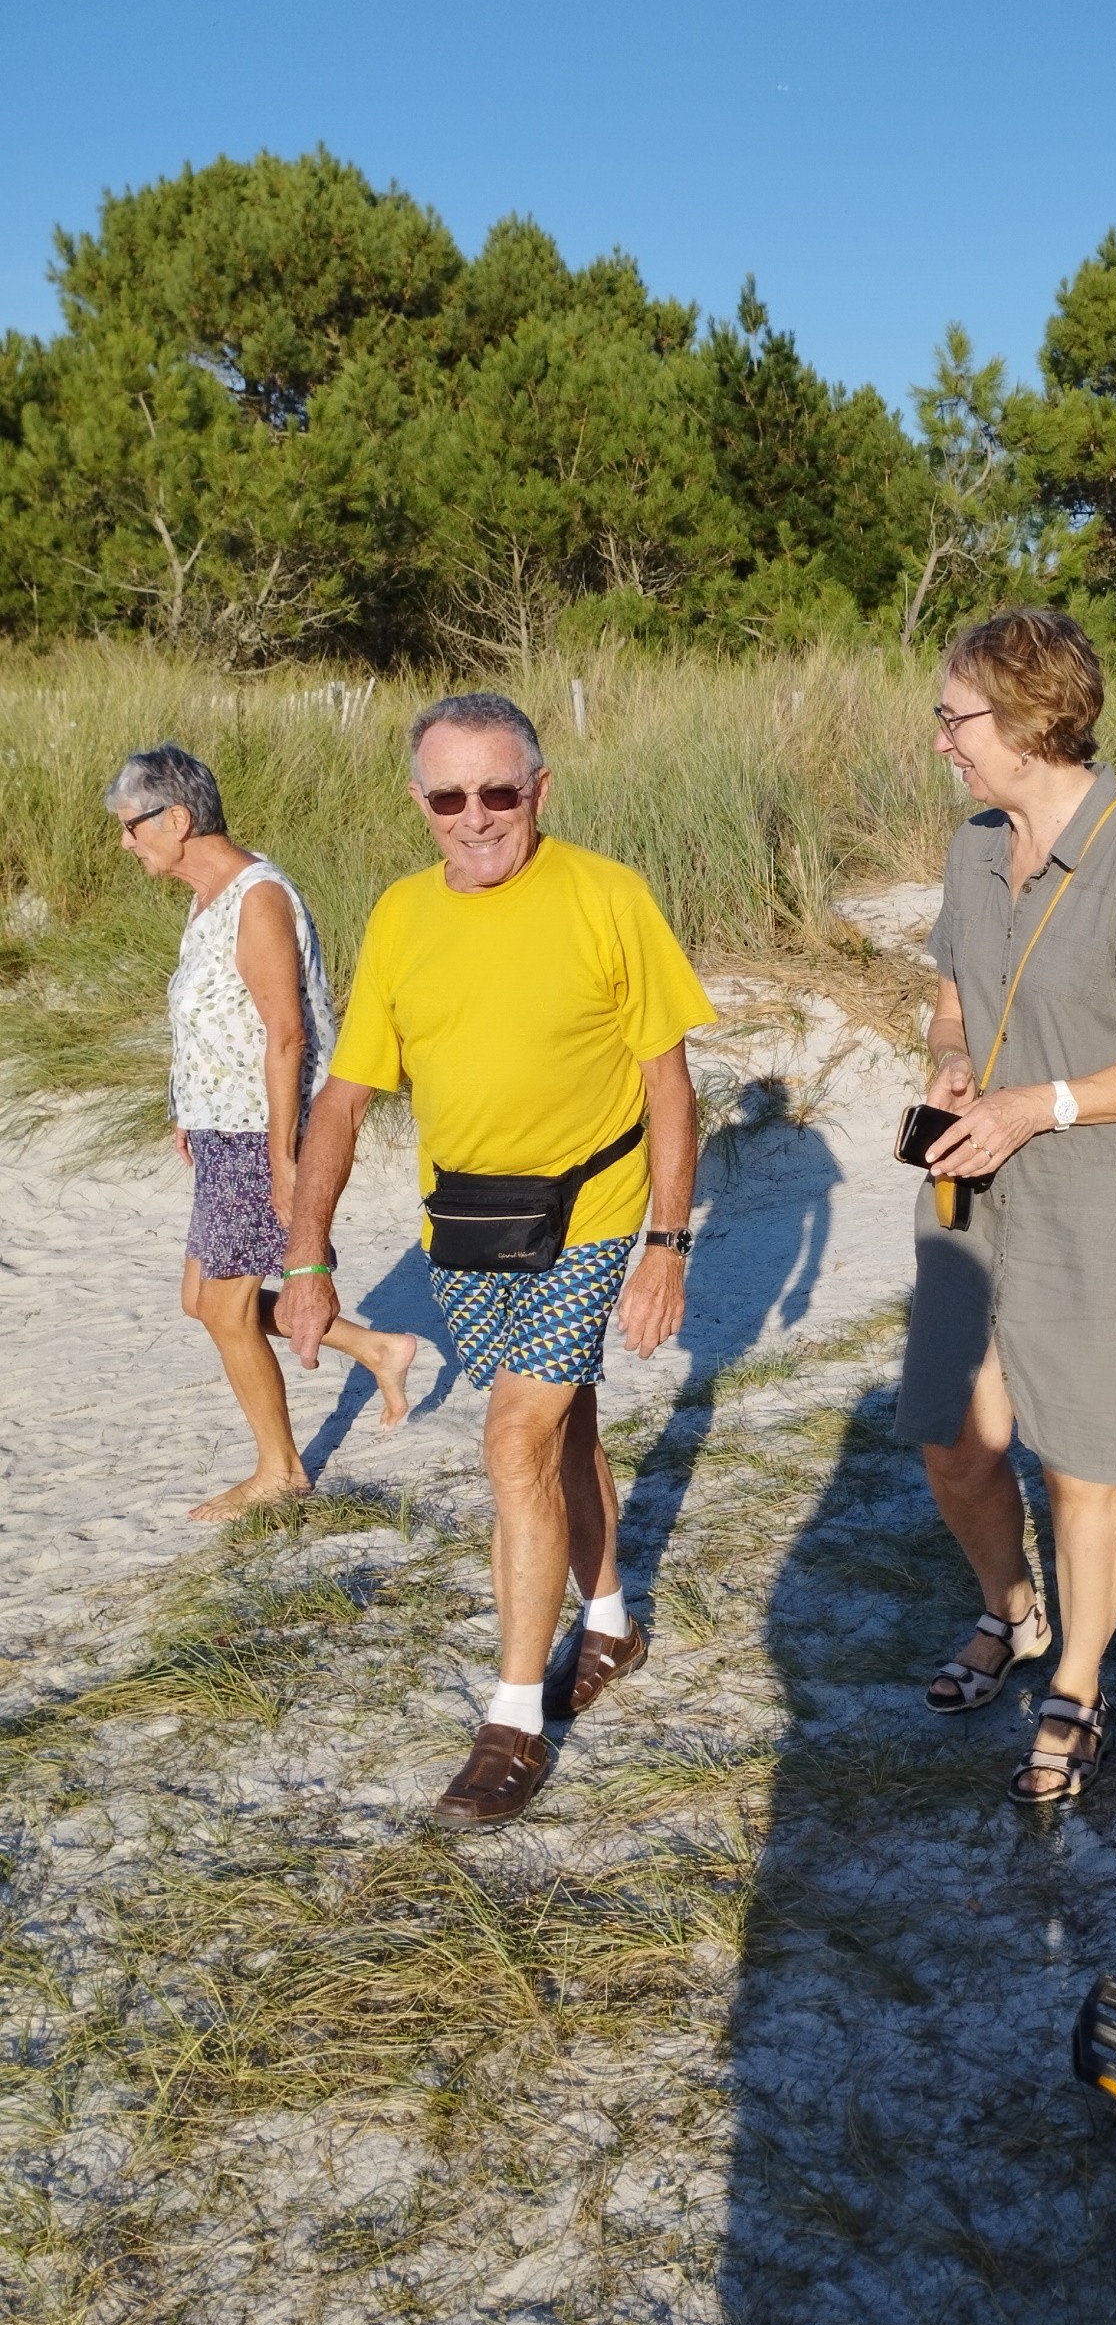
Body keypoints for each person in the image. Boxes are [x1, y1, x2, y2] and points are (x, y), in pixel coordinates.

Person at [276, 692, 714, 1830]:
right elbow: (346, 1094)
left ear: (540, 792)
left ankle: (513, 1720)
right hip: (466, 1230)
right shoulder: (400, 916)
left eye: (499, 791)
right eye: (449, 796)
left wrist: (665, 1243)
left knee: (512, 1436)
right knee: (563, 1427)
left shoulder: (607, 895)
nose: (476, 817)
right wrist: (309, 1258)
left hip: (592, 1212)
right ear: (419, 804)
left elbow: (671, 1083)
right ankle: (611, 1622)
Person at [896, 609, 1116, 1807]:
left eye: (956, 716)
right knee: (952, 1435)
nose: (941, 739)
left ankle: (1078, 1681)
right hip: (972, 1190)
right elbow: (948, 991)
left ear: (1035, 718)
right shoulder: (973, 845)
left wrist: (1044, 1102)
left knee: (1087, 1465)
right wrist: (945, 1056)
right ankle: (1012, 1610)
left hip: (1108, 1200)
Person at [105, 744, 415, 1522]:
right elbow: (217, 1023)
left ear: (176, 819)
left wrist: (284, 1158)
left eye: (130, 826)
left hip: (258, 1134)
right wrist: (188, 1108)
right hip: (221, 1131)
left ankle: (280, 1469)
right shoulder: (207, 898)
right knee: (199, 1299)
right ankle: (376, 1348)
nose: (124, 841)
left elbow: (287, 1034)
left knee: (224, 1306)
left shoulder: (258, 897)